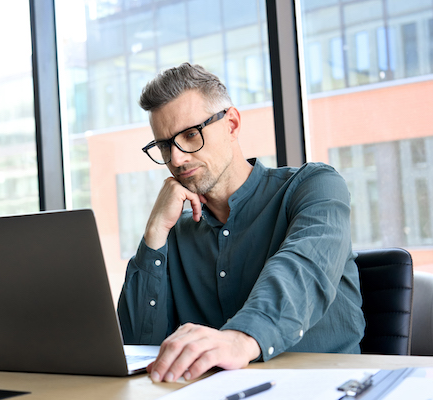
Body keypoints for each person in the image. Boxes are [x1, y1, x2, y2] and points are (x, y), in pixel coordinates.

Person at [117, 63, 365, 383]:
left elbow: (301, 268)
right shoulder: (172, 234)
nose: (176, 159)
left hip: (327, 388)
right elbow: (137, 345)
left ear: (231, 124)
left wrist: (240, 337)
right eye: (165, 145)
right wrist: (153, 236)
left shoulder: (314, 186)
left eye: (191, 135)